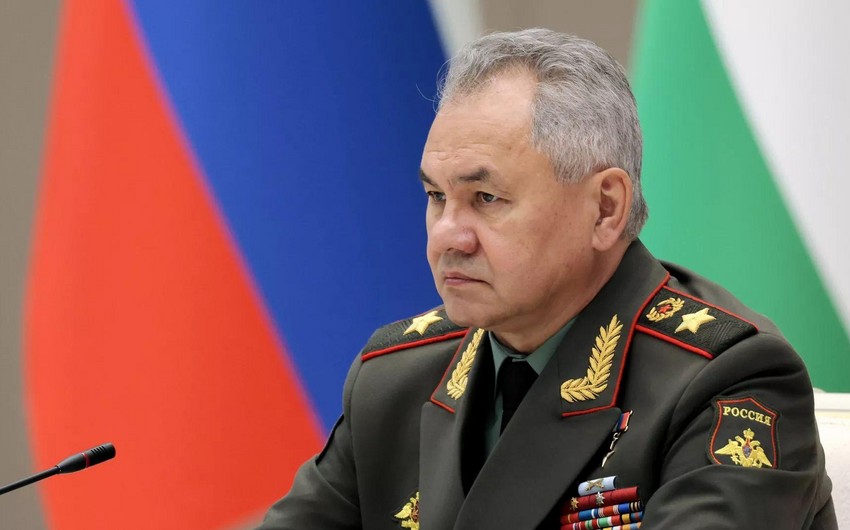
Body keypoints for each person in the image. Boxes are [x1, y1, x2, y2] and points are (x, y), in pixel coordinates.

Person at [258, 29, 836, 529]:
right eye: (436, 196)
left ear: (605, 209)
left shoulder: (730, 382)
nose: (447, 236)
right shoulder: (395, 377)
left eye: (486, 198)